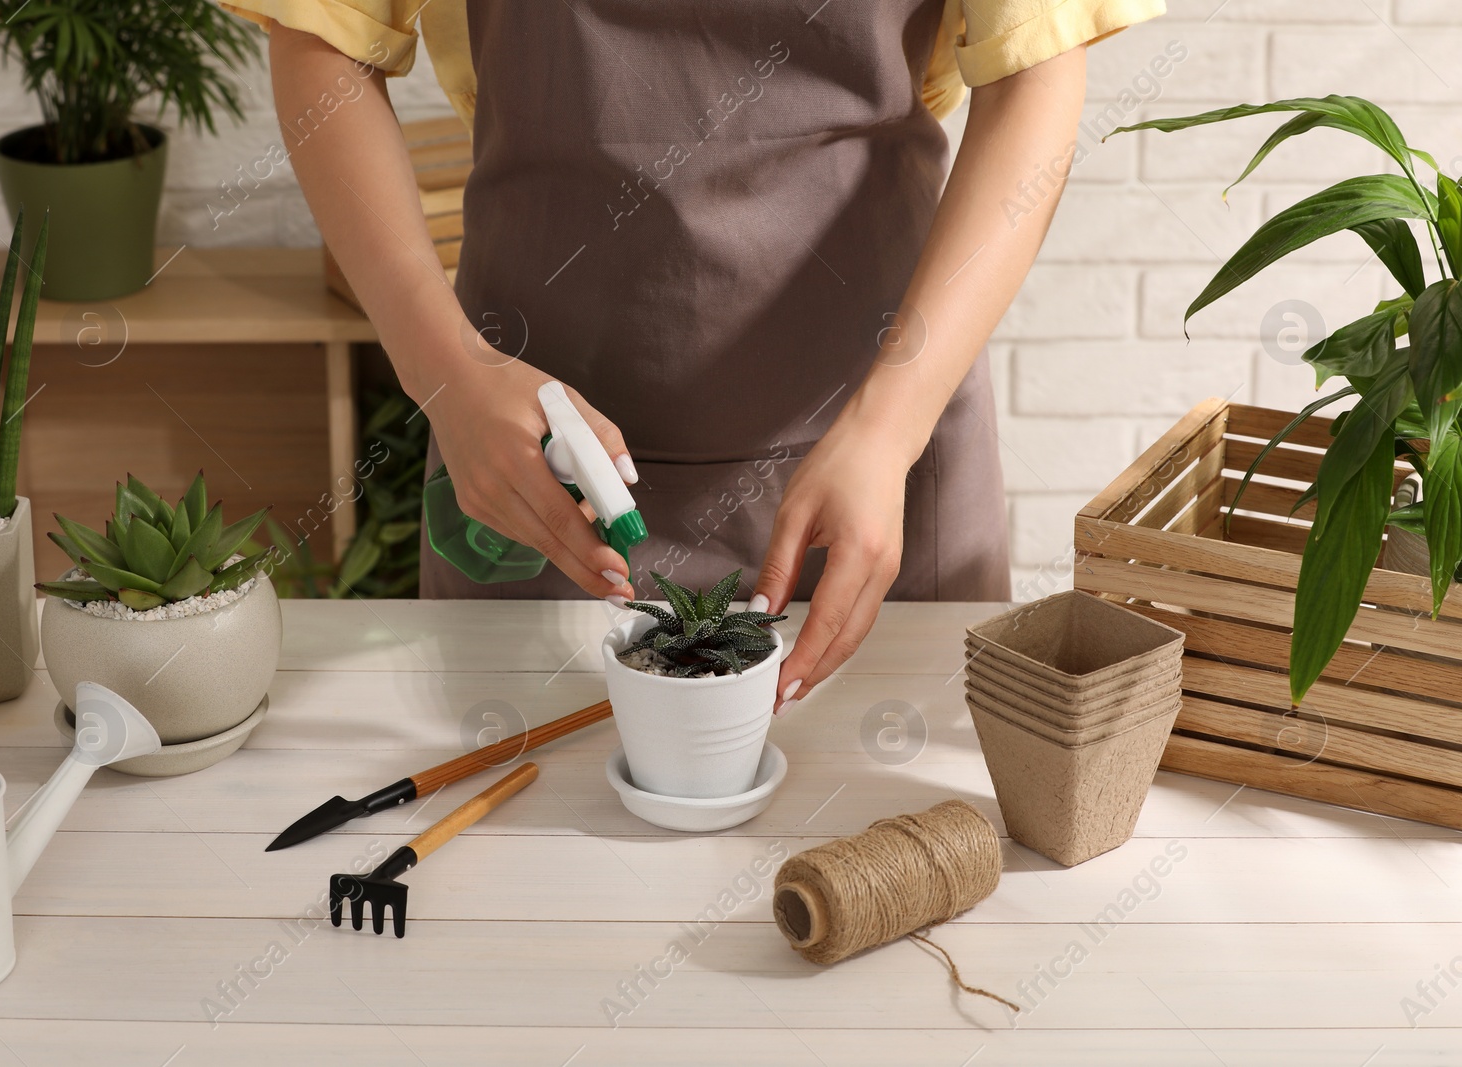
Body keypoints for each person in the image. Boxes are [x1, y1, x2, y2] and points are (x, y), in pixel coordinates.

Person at [224, 0, 1164, 714]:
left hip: (878, 453)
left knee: (890, 855)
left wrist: (890, 429)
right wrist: (449, 376)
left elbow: (1038, 76)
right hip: (533, 454)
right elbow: (324, 42)